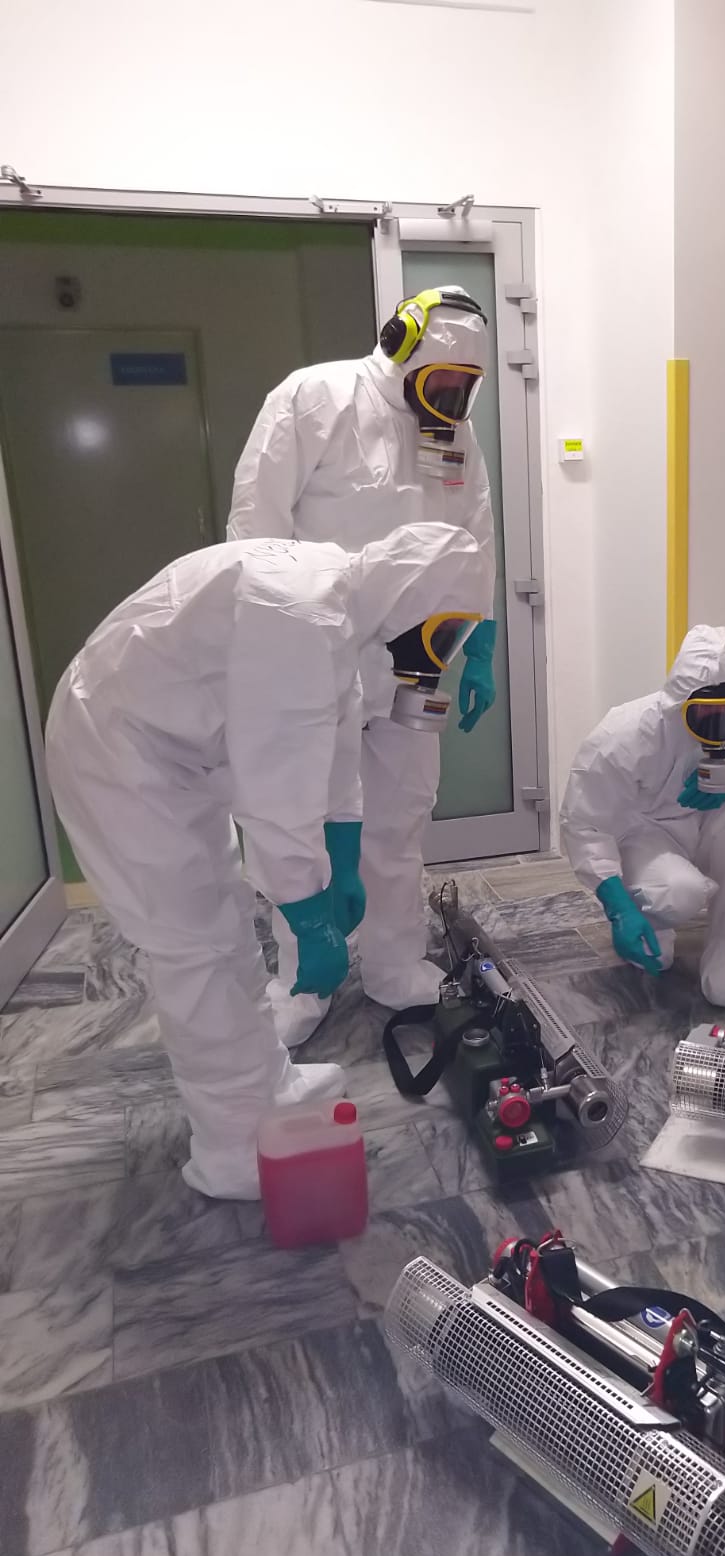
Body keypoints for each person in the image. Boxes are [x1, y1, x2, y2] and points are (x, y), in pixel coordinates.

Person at [46, 523, 487, 1201]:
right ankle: (229, 1148)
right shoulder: (301, 614)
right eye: (444, 632)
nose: (437, 655)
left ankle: (264, 1086)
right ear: (411, 595)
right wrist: (310, 919)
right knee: (193, 944)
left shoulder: (341, 612)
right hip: (118, 750)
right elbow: (278, 799)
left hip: (172, 749)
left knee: (223, 918)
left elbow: (333, 758)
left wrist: (343, 863)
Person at [228, 287, 496, 1045]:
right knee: (305, 820)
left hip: (418, 657)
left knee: (402, 814)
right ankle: (303, 978)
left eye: (465, 386)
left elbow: (477, 536)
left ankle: (394, 960)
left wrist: (479, 643)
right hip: (321, 654)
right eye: (441, 380)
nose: (450, 399)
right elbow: (255, 524)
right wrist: (276, 641)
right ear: (401, 345)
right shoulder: (315, 397)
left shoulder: (457, 434)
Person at [560, 625, 725, 1008]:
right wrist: (617, 907)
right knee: (678, 894)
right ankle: (650, 921)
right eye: (705, 713)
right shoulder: (627, 733)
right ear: (679, 703)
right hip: (649, 834)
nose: (717, 722)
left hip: (717, 823)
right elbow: (585, 821)